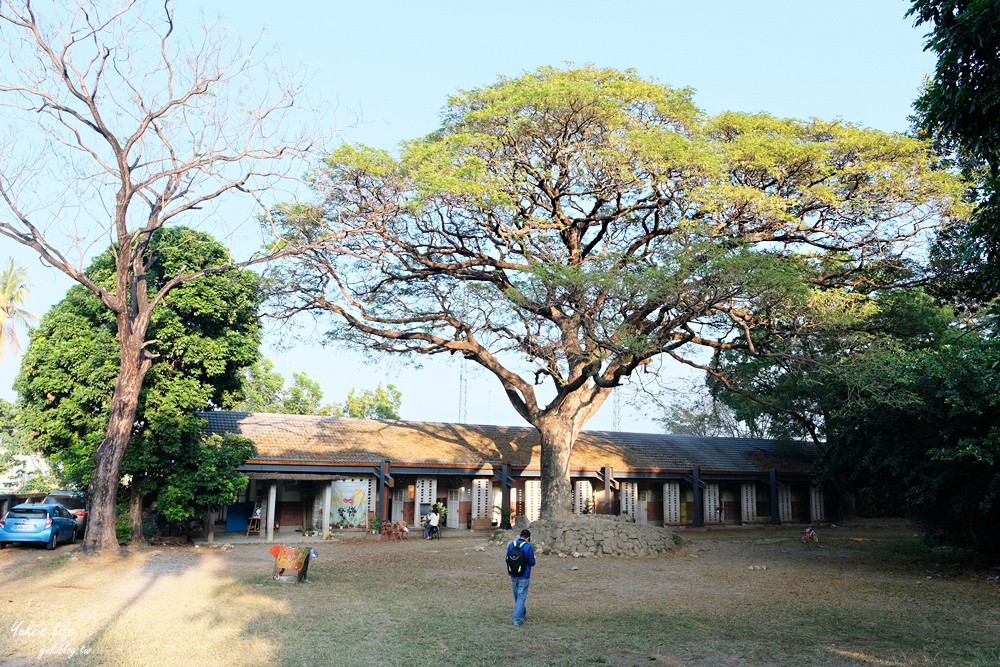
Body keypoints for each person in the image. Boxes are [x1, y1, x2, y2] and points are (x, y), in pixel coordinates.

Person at [506, 528, 536, 625]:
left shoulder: (511, 545)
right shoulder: (527, 547)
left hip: (513, 574)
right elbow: (532, 562)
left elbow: (506, 559)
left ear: (520, 536)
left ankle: (522, 613)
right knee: (521, 596)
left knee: (517, 596)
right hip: (524, 575)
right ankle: (517, 619)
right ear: (528, 538)